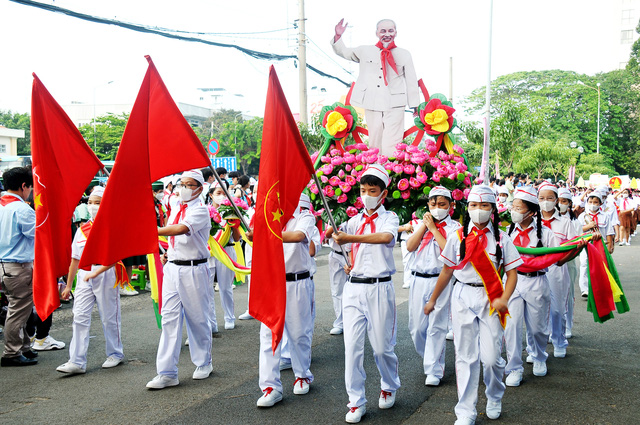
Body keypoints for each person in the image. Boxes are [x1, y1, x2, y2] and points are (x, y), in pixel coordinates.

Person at [424, 185, 522, 425]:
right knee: (465, 356)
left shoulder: (502, 238)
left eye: (484, 206)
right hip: (462, 296)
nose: (479, 211)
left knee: (491, 358)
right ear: (468, 209)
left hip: (491, 299)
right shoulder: (458, 237)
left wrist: (504, 299)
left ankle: (494, 395)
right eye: (474, 206)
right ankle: (465, 410)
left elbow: (512, 273)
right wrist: (433, 299)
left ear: (493, 209)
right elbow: (448, 270)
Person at [331, 163, 400, 424]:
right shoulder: (352, 220)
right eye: (362, 189)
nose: (367, 194)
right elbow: (340, 247)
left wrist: (351, 239)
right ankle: (356, 401)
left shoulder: (389, 218)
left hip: (380, 289)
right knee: (352, 349)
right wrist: (339, 242)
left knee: (382, 349)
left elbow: (384, 238)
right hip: (353, 289)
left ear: (383, 193)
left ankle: (389, 384)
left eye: (372, 190)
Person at [146, 169, 213, 389]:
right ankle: (167, 372)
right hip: (173, 268)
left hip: (194, 269)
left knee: (197, 318)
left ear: (200, 188)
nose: (182, 188)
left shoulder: (201, 210)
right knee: (169, 319)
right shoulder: (175, 206)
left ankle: (204, 362)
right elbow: (173, 235)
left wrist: (154, 230)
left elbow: (181, 229)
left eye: (189, 185)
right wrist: (168, 254)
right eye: (180, 184)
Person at [57, 186, 126, 375]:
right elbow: (74, 259)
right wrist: (69, 285)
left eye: (97, 203)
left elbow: (115, 256)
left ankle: (115, 353)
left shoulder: (112, 226)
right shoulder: (82, 230)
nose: (93, 206)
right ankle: (77, 361)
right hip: (84, 276)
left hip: (105, 273)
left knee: (109, 316)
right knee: (79, 317)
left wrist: (97, 272)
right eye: (90, 202)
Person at [256, 193, 316, 408]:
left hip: (297, 283)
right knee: (268, 336)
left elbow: (299, 236)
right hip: (273, 283)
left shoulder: (305, 217)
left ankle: (302, 375)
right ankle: (270, 387)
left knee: (299, 334)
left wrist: (266, 234)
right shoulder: (271, 217)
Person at [332, 19, 419, 156]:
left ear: (396, 32)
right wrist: (338, 36)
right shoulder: (364, 51)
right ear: (377, 33)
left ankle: (392, 174)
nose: (387, 34)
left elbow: (411, 80)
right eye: (383, 31)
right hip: (372, 101)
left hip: (395, 104)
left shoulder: (404, 54)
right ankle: (375, 174)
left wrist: (414, 104)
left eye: (391, 30)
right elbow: (344, 52)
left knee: (393, 144)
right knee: (375, 142)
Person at [405, 186, 460, 387]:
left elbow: (449, 252)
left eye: (442, 204)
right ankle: (429, 356)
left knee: (437, 325)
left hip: (441, 279)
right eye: (433, 204)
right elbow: (410, 246)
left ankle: (434, 369)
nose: (437, 208)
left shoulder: (454, 228)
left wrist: (435, 229)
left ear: (451, 206)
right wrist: (424, 226)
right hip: (418, 279)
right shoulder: (422, 224)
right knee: (416, 327)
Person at [503, 187, 554, 387]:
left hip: (537, 282)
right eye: (513, 206)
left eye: (519, 208)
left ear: (531, 212)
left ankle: (539, 355)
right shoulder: (506, 231)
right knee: (512, 327)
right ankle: (514, 367)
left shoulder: (546, 233)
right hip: (513, 282)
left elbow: (556, 258)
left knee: (537, 328)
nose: (514, 211)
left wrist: (578, 246)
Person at [0, 167, 38, 367]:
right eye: (30, 187)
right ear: (24, 186)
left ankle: (23, 347)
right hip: (17, 265)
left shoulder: (2, 204)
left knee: (20, 308)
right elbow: (37, 234)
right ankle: (11, 352)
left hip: (4, 265)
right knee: (18, 310)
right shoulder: (21, 209)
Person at [538, 182, 578, 358]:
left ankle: (559, 340)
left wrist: (562, 261)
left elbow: (573, 247)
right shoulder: (532, 220)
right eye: (541, 198)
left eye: (549, 198)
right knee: (537, 308)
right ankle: (537, 345)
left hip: (557, 269)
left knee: (557, 308)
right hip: (536, 270)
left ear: (556, 200)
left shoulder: (565, 222)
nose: (545, 202)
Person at [209, 182, 242, 330]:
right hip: (209, 252)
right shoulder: (205, 212)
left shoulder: (230, 212)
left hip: (226, 251)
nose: (221, 196)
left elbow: (236, 238)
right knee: (207, 289)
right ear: (211, 195)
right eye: (218, 193)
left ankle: (229, 317)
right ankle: (211, 322)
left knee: (225, 287)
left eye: (224, 193)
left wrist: (234, 225)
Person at [577, 191, 614, 297]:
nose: (593, 204)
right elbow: (578, 230)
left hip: (600, 244)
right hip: (586, 243)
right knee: (584, 264)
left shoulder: (605, 216)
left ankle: (600, 287)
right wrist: (588, 226)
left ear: (600, 203)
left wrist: (610, 245)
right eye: (590, 201)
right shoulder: (582, 216)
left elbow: (609, 231)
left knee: (601, 265)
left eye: (596, 202)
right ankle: (585, 289)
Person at [558, 187, 580, 338]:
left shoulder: (574, 222)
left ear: (570, 203)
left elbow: (577, 244)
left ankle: (567, 327)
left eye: (563, 201)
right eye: (558, 200)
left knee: (568, 295)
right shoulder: (544, 219)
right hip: (550, 263)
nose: (560, 204)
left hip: (568, 263)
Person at [324, 222, 351, 335]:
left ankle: (355, 321)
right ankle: (340, 323)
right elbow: (327, 234)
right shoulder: (335, 214)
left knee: (355, 289)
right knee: (337, 290)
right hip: (336, 254)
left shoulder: (358, 215)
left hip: (352, 254)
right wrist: (338, 222)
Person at [398, 215, 418, 289]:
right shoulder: (408, 221)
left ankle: (413, 279)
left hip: (417, 241)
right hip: (405, 241)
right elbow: (396, 228)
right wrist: (405, 228)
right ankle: (407, 280)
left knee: (416, 261)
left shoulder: (421, 222)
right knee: (406, 261)